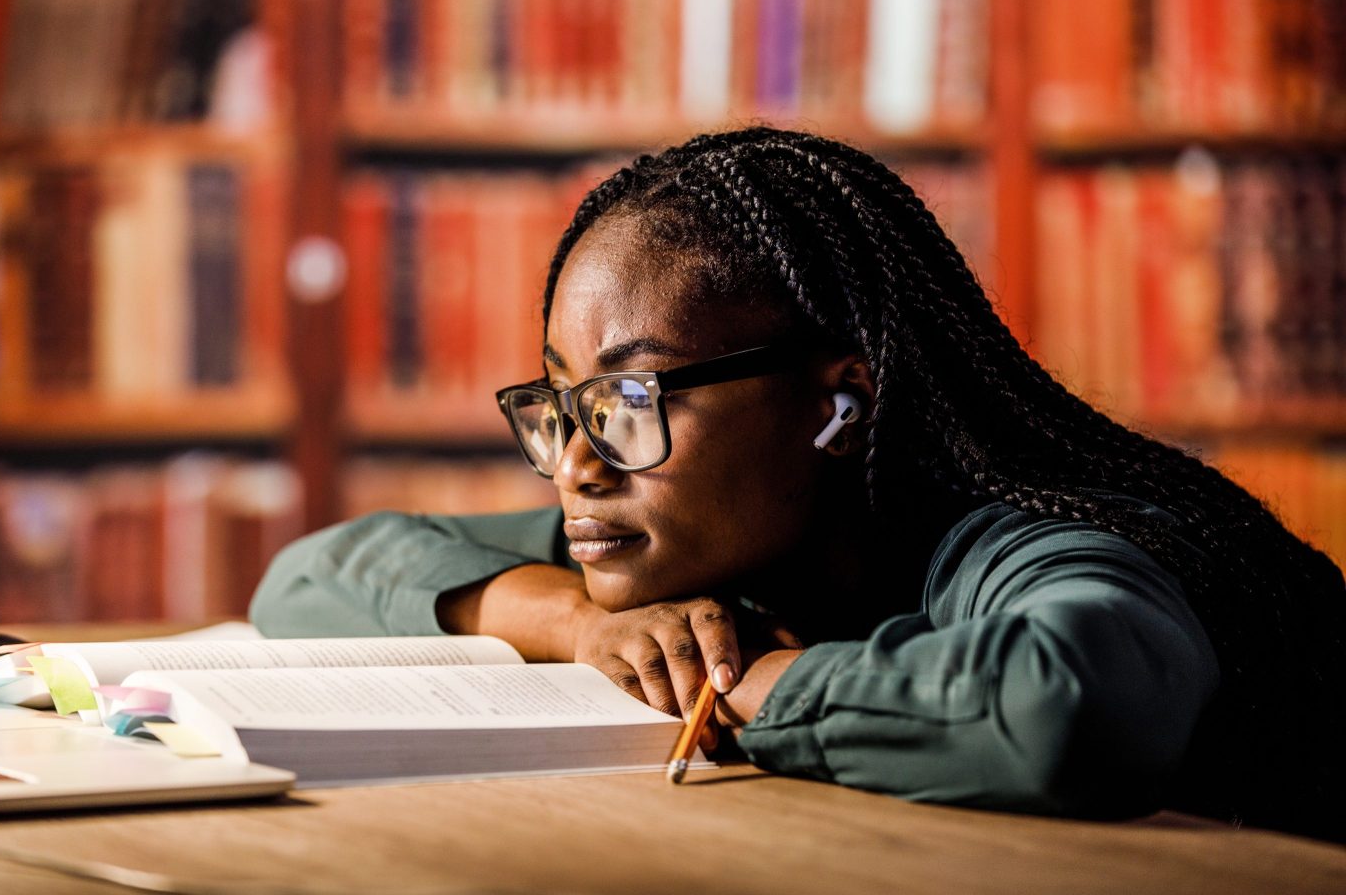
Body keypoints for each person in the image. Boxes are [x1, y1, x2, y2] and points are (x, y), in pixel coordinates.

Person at [251, 127, 1346, 842]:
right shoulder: (693, 544)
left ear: (840, 405)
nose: (578, 463)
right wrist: (574, 624)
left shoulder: (1022, 544)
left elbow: (1064, 704)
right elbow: (311, 577)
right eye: (560, 404)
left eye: (631, 402)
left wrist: (750, 685)